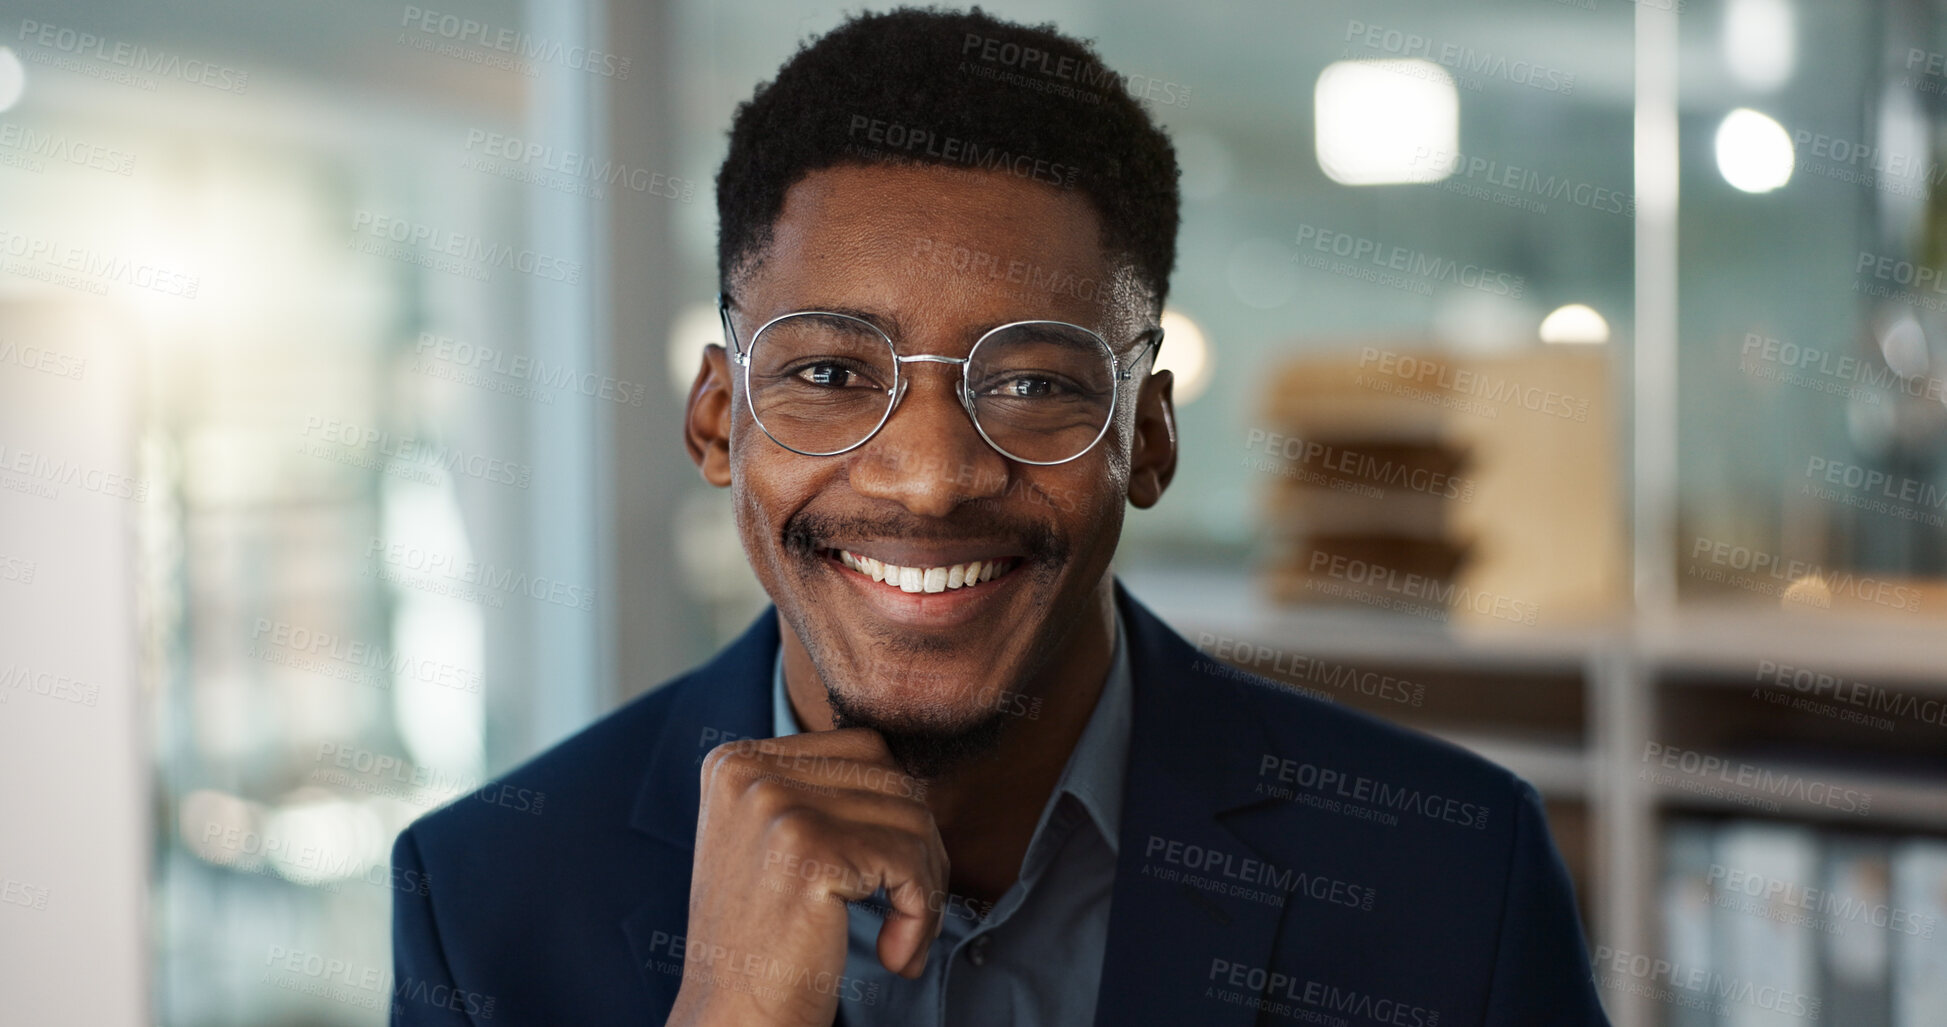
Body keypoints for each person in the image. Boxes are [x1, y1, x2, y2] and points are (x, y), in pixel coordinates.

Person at [389, 7, 1611, 1025]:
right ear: (719, 421)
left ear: (1147, 437)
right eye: (828, 373)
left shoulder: (1450, 878)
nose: (928, 479)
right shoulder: (488, 902)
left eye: (1033, 384)